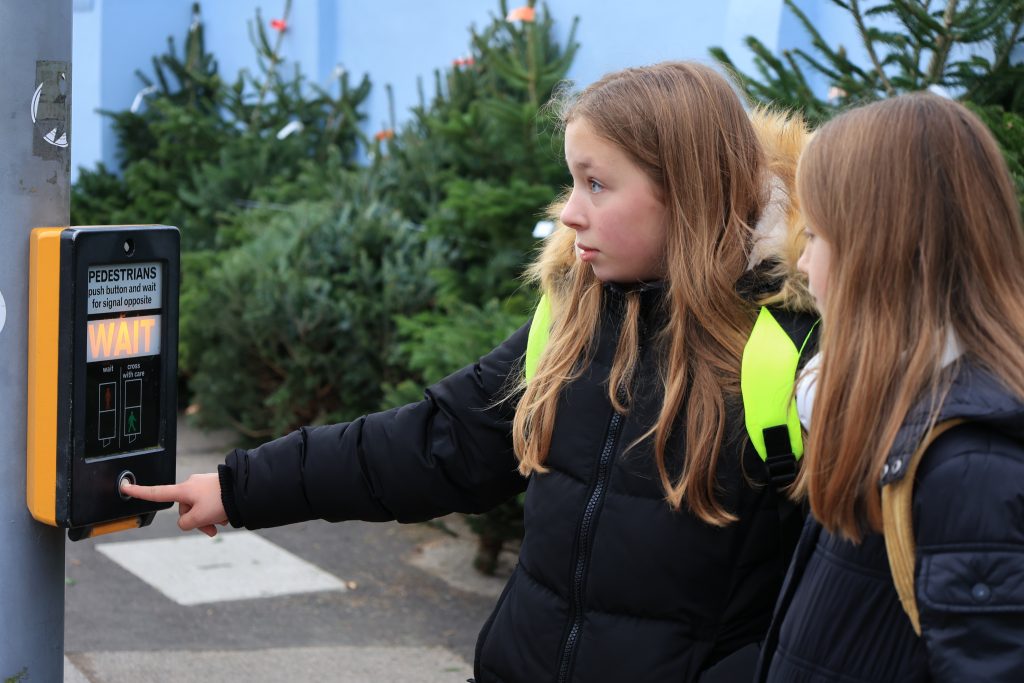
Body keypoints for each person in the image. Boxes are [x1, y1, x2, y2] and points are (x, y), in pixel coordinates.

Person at [124, 61, 818, 682]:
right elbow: (435, 443)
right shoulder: (571, 320)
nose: (570, 213)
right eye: (573, 181)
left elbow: (838, 596)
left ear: (687, 191)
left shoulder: (791, 356)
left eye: (597, 184)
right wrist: (240, 486)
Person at [756, 93, 1024, 681]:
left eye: (816, 237)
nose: (803, 265)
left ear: (880, 252)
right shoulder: (892, 411)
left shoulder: (967, 465)